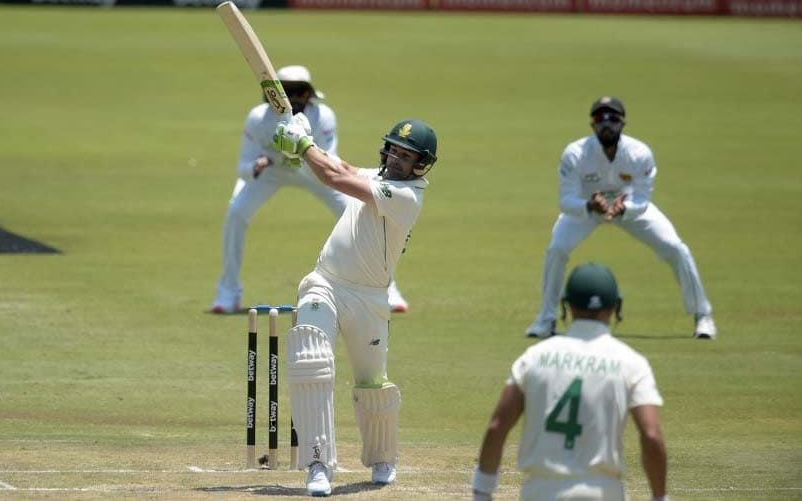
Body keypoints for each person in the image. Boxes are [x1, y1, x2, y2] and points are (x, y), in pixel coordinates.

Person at [270, 117, 437, 497]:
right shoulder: (377, 176)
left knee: (373, 384)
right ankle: (317, 463)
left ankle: (382, 457)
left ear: (420, 164)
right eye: (394, 148)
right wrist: (307, 141)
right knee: (310, 358)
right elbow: (341, 167)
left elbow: (335, 180)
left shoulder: (407, 197)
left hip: (369, 298)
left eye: (406, 154)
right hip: (324, 282)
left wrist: (303, 147)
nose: (396, 157)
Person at [209, 65, 410, 314]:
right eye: (288, 92)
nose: (293, 98)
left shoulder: (323, 116)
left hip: (315, 173)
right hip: (271, 173)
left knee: (359, 214)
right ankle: (227, 293)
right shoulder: (258, 118)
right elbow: (243, 167)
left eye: (299, 92)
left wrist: (300, 153)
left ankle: (387, 288)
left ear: (308, 94)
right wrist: (258, 165)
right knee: (236, 212)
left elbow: (330, 160)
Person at [525, 96, 716, 340]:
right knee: (557, 249)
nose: (606, 123)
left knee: (675, 248)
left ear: (622, 124)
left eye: (613, 119)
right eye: (600, 119)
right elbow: (566, 201)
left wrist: (624, 209)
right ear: (592, 125)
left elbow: (643, 199)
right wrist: (589, 205)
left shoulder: (639, 153)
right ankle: (545, 320)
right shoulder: (575, 154)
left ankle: (703, 316)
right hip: (588, 209)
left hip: (630, 209)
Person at [474, 263, 669, 501]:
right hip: (602, 492)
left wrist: (482, 492)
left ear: (567, 306)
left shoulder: (534, 357)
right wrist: (660, 497)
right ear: (615, 307)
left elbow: (498, 426)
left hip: (541, 491)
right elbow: (651, 434)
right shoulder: (632, 363)